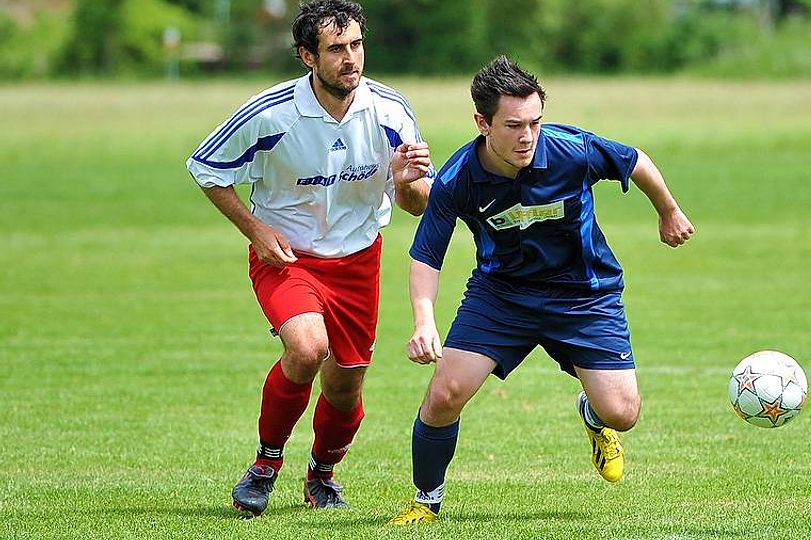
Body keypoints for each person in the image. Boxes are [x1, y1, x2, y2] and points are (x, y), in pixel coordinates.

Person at [387, 56, 695, 525]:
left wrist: (668, 211)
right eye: (513, 125)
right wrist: (423, 321)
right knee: (445, 393)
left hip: (584, 293)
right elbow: (427, 254)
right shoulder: (458, 178)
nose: (527, 136)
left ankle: (594, 416)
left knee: (622, 413)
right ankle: (425, 501)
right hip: (501, 296)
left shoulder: (571, 150)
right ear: (483, 124)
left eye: (534, 122)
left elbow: (635, 161)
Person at [185, 0, 433, 517]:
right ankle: (265, 465)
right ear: (307, 56)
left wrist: (407, 182)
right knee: (306, 348)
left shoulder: (391, 112)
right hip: (287, 259)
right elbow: (206, 167)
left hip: (359, 262)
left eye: (356, 45)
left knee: (346, 388)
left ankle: (322, 475)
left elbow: (414, 203)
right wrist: (255, 229)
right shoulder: (270, 113)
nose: (350, 58)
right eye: (336, 48)